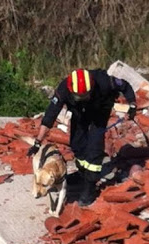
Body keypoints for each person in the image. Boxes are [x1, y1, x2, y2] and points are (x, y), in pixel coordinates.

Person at [27, 68, 137, 206]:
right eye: (79, 96)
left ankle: (90, 187)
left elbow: (125, 85)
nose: (84, 98)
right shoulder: (63, 89)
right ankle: (82, 174)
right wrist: (37, 142)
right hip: (80, 114)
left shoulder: (104, 81)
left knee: (94, 149)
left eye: (86, 95)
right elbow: (50, 115)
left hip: (99, 112)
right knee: (77, 144)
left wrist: (132, 104)